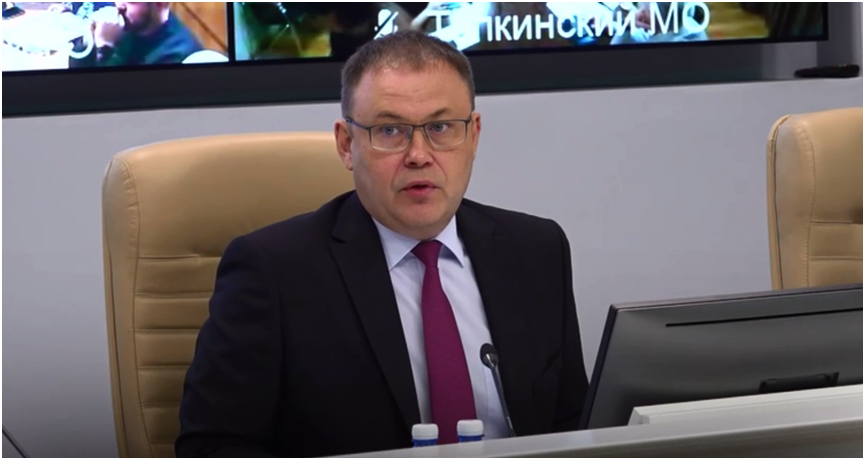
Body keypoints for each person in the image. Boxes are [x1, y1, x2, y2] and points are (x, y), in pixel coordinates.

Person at [176, 29, 588, 458]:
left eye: (441, 127)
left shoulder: (536, 251)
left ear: (474, 135)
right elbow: (213, 445)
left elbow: (575, 424)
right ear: (346, 144)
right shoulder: (274, 271)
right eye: (390, 130)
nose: (418, 154)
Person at [87, 2, 203, 66]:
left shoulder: (176, 55)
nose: (119, 6)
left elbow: (109, 95)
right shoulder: (129, 27)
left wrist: (105, 49)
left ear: (160, 4)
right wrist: (88, 39)